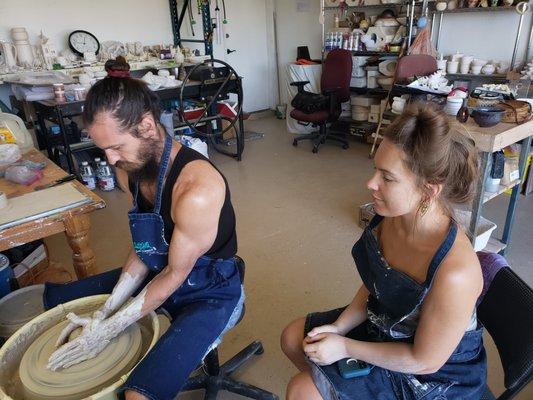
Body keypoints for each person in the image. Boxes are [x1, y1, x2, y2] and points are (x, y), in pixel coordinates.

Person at [44, 58, 243, 400]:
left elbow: (175, 275)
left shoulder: (197, 189)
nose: (109, 159)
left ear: (147, 127)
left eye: (116, 146)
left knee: (138, 395)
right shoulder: (129, 169)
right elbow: (146, 245)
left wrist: (110, 328)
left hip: (209, 286)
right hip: (162, 266)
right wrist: (106, 311)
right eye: (102, 148)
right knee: (56, 302)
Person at [281, 104, 486, 400]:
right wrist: (340, 327)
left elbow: (424, 360)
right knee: (293, 338)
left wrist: (345, 347)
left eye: (387, 178)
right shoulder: (392, 217)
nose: (370, 184)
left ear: (429, 191)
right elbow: (378, 284)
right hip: (390, 324)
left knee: (302, 391)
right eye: (375, 169)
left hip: (434, 373)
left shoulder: (457, 273)